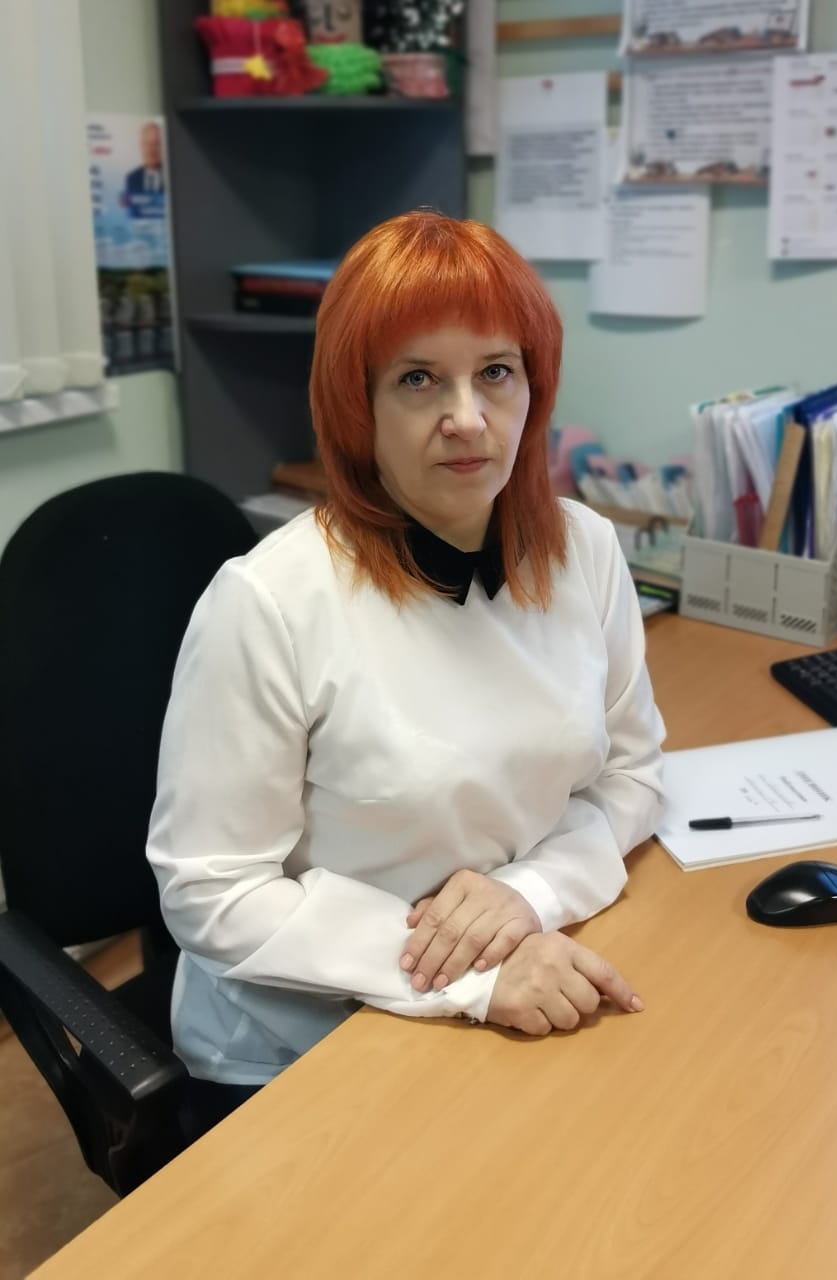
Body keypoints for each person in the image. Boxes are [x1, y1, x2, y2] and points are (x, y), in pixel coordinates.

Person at [147, 210, 666, 1102]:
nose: (467, 419)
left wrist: (531, 893)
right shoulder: (269, 601)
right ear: (359, 407)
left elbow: (634, 776)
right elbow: (213, 893)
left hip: (527, 968)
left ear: (534, 386)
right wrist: (471, 979)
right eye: (419, 379)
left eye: (495, 373)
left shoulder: (583, 549)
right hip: (305, 1042)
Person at [123, 122, 165, 217]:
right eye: (147, 144)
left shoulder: (171, 176)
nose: (151, 150)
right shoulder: (132, 178)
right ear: (141, 146)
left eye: (156, 144)